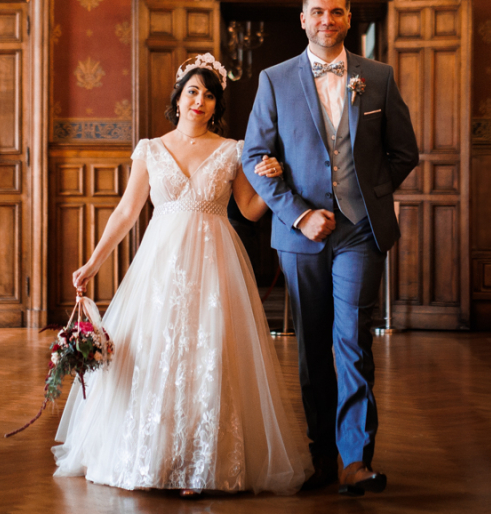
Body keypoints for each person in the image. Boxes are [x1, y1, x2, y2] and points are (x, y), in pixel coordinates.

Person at [53, 54, 314, 496]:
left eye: (210, 95)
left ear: (217, 105)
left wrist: (275, 178)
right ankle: (153, 457)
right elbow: (127, 211)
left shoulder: (232, 150)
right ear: (178, 99)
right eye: (193, 91)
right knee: (155, 353)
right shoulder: (150, 149)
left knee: (208, 354)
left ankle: (201, 463)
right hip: (161, 262)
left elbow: (249, 211)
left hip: (215, 261)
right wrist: (93, 262)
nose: (200, 101)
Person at [241, 0, 420, 496]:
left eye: (336, 12)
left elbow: (403, 152)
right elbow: (255, 156)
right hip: (301, 236)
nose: (327, 20)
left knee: (353, 340)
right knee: (313, 347)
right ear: (303, 19)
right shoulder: (274, 80)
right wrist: (298, 215)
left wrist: (369, 197)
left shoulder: (378, 78)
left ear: (347, 18)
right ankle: (321, 453)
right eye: (317, 12)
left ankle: (354, 460)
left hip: (359, 232)